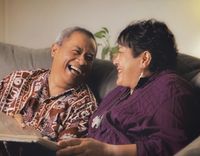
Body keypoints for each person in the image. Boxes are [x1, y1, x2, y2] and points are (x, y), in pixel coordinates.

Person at [56, 19, 200, 156]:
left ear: (144, 59)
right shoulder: (120, 91)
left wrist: (109, 151)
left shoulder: (171, 89)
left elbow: (172, 146)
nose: (114, 60)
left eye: (120, 52)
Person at [0, 27, 98, 155]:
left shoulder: (85, 108)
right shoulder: (19, 79)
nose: (82, 61)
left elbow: (66, 151)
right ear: (54, 50)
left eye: (89, 57)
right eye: (76, 52)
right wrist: (9, 122)